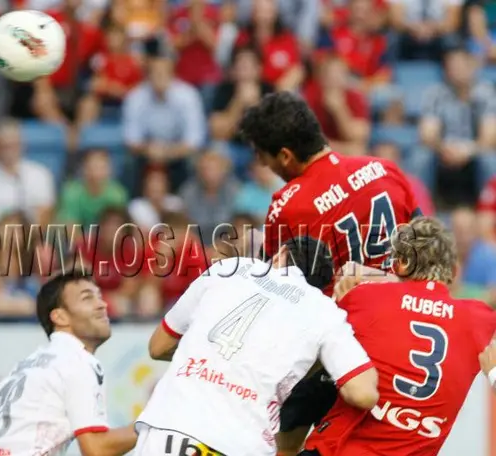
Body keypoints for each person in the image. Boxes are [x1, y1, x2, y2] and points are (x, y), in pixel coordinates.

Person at [238, 91, 422, 455]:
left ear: (286, 156)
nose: (264, 166)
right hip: (402, 337)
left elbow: (274, 287)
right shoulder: (385, 169)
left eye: (264, 157)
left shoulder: (286, 207)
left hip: (335, 344)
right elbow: (426, 255)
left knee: (282, 440)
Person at [133, 236, 379, 456]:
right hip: (242, 445)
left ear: (280, 253)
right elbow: (363, 393)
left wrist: (216, 360)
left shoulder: (229, 267)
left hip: (170, 426)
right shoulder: (324, 311)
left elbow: (158, 346)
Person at [302, 216, 496, 455]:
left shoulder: (365, 298)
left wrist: (373, 276)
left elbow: (307, 343)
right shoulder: (479, 320)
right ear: (454, 271)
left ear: (400, 264)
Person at [0, 271, 137, 456]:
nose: (102, 305)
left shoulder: (28, 364)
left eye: (99, 297)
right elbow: (96, 449)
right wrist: (151, 424)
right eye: (87, 298)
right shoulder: (78, 361)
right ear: (59, 317)